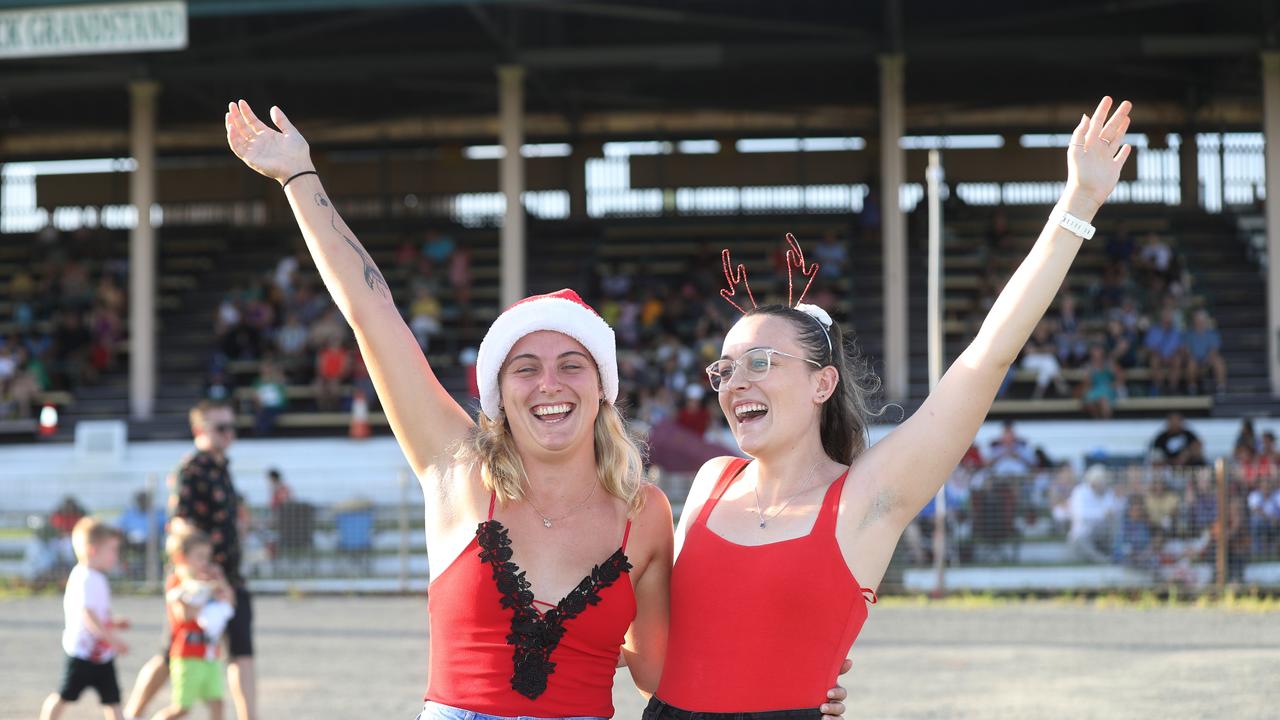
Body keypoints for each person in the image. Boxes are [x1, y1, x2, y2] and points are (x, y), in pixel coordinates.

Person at [224, 100, 849, 719]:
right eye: (525, 368)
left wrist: (794, 676)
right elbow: (372, 313)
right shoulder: (455, 472)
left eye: (571, 365)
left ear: (601, 387)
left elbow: (664, 672)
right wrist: (299, 178)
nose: (549, 384)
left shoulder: (647, 514)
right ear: (500, 393)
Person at [652, 97, 1134, 719]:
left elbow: (984, 359)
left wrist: (1078, 203)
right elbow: (659, 639)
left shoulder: (867, 498)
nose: (734, 381)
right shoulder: (710, 483)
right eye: (724, 368)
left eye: (762, 362)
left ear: (823, 384)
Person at [124, 401, 256, 720]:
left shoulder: (222, 466)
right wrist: (195, 572)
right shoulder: (191, 467)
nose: (228, 434)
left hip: (229, 575)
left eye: (230, 427)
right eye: (220, 428)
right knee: (172, 653)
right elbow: (179, 524)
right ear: (199, 431)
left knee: (242, 650)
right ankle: (131, 714)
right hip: (196, 578)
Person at [40, 518, 129, 720]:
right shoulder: (85, 577)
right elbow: (88, 615)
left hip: (102, 655)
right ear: (93, 550)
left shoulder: (97, 577)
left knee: (113, 699)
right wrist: (113, 640)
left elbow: (98, 615)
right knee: (64, 695)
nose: (116, 555)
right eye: (112, 550)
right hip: (82, 653)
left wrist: (114, 623)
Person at [151, 527, 237, 720]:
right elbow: (184, 615)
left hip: (210, 654)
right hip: (187, 655)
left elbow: (230, 603)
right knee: (181, 708)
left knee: (218, 702)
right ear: (182, 557)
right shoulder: (177, 582)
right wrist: (204, 593)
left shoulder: (210, 582)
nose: (205, 563)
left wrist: (220, 582)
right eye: (200, 557)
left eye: (207, 557)